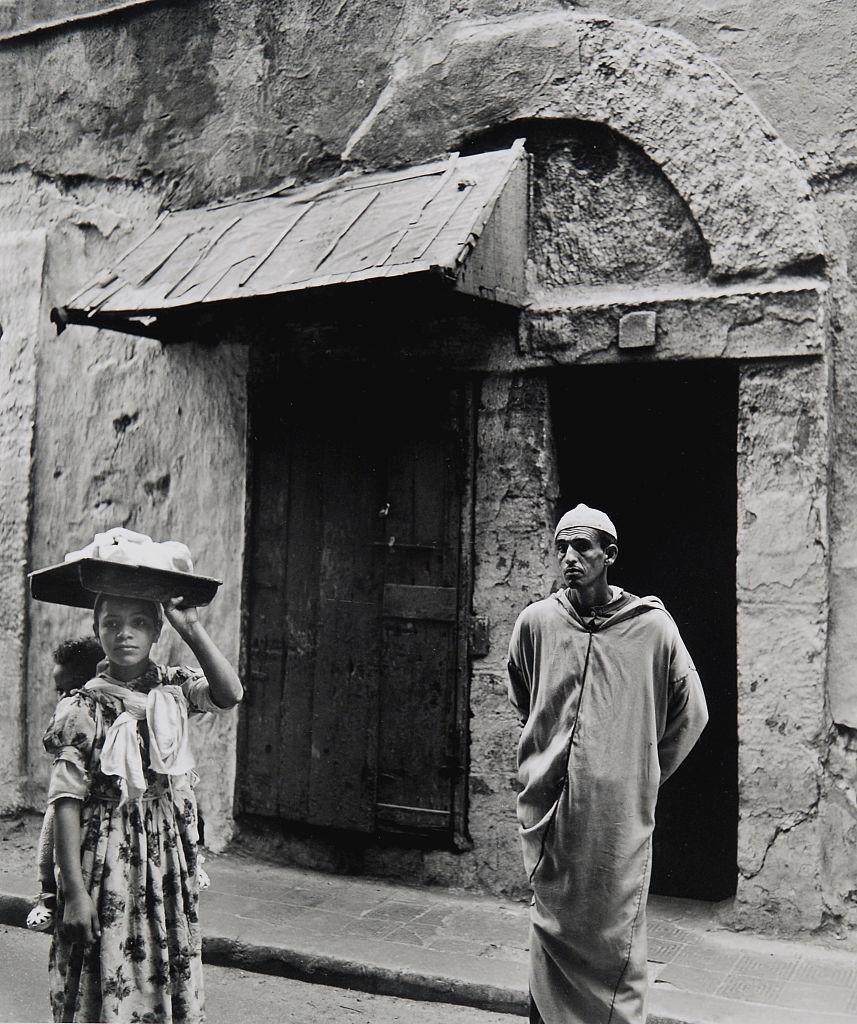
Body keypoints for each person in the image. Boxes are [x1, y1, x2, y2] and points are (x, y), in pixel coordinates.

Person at [507, 504, 708, 1024]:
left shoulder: (652, 629)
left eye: (582, 547)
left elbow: (692, 713)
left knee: (615, 938)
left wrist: (640, 773)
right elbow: (525, 695)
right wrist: (549, 759)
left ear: (609, 555)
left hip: (618, 821)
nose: (569, 558)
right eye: (561, 548)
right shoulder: (537, 623)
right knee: (550, 931)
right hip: (554, 818)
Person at [44, 592, 243, 1023]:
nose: (124, 633)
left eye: (138, 622)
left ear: (156, 631)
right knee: (103, 955)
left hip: (163, 851)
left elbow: (229, 694)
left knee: (164, 950)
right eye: (112, 623)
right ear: (97, 630)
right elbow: (65, 802)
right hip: (104, 853)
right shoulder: (81, 707)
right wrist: (74, 893)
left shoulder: (172, 687)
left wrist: (191, 628)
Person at [27, 638, 105, 933]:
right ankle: (47, 890)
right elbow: (53, 742)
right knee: (55, 815)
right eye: (60, 690)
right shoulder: (70, 711)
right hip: (78, 785)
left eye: (71, 687)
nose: (65, 695)